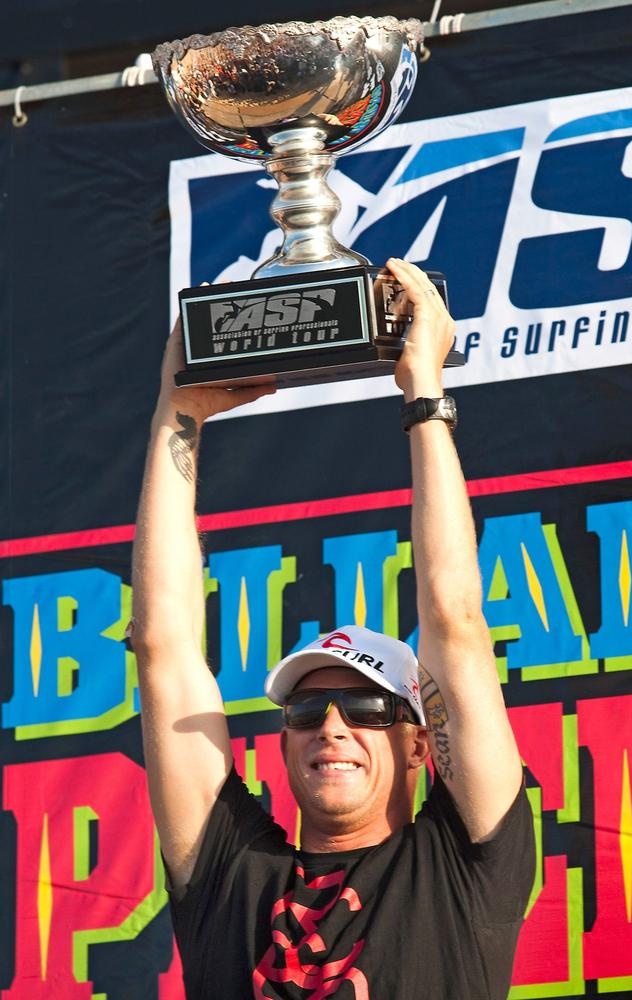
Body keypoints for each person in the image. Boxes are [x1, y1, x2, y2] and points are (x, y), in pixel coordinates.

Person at [131, 258, 535, 999]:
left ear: (421, 742)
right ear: (284, 738)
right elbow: (162, 647)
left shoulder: (463, 862)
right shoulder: (229, 875)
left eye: (369, 708)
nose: (333, 727)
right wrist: (176, 414)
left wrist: (425, 395)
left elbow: (456, 621)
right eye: (309, 710)